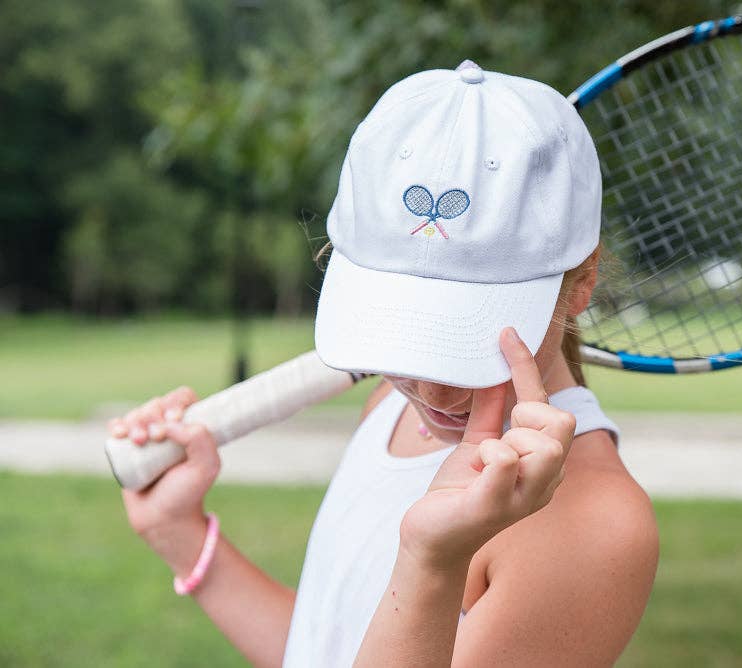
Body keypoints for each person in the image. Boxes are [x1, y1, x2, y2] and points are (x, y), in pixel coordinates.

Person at [109, 61, 659, 667]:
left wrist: (431, 560)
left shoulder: (598, 525)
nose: (432, 391)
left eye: (471, 343)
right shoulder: (393, 407)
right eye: (406, 329)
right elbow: (327, 649)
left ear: (580, 283)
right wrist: (180, 534)